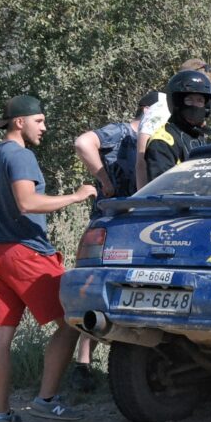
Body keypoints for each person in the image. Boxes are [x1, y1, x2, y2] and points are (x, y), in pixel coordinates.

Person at [0, 94, 97, 422]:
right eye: (39, 121)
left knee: (1, 334)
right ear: (20, 122)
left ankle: (1, 414)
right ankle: (46, 400)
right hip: (26, 254)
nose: (44, 127)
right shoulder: (20, 155)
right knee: (72, 322)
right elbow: (27, 202)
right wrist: (76, 196)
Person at [70, 91, 161, 391]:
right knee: (100, 289)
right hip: (111, 223)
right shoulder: (122, 132)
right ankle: (82, 366)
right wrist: (105, 182)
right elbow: (83, 143)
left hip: (135, 225)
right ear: (147, 110)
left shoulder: (153, 139)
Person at [135, 59, 211, 189]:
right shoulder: (163, 141)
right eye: (189, 100)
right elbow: (161, 188)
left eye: (200, 100)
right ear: (177, 102)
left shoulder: (199, 136)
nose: (195, 105)